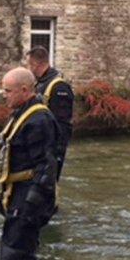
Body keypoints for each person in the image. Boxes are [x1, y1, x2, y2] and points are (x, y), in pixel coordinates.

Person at [0, 67, 60, 260]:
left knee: (11, 252)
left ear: (24, 90)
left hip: (30, 197)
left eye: (8, 90)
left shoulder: (39, 119)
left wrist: (29, 205)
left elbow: (47, 167)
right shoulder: (23, 112)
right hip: (19, 193)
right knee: (24, 249)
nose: (4, 95)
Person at [26, 47, 73, 175]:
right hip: (39, 143)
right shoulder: (40, 83)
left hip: (51, 147)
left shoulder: (58, 87)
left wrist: (56, 152)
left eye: (29, 65)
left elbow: (62, 123)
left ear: (36, 65)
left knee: (47, 186)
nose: (28, 69)